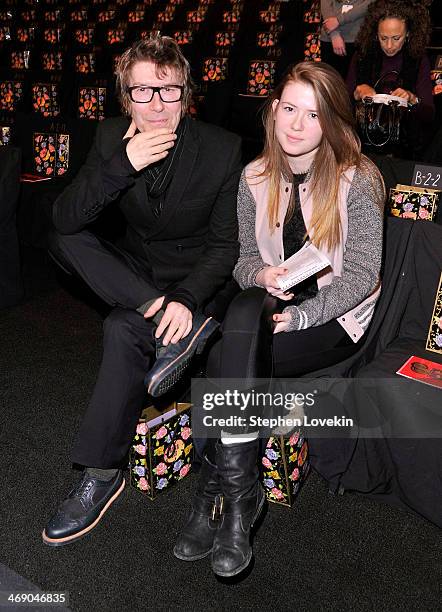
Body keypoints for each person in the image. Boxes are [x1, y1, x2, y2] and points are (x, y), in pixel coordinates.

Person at [173, 61, 385, 578]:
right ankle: (240, 496)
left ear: (333, 122)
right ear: (272, 111)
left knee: (226, 355)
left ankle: (212, 494)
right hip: (274, 305)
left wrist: (304, 315)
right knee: (238, 335)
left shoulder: (360, 178)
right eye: (289, 109)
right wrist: (261, 276)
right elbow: (242, 258)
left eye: (313, 115)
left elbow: (361, 274)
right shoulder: (253, 176)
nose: (296, 125)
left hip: (336, 317)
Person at [42, 35, 242, 547]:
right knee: (63, 236)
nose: (156, 105)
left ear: (186, 94)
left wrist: (187, 298)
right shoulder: (111, 140)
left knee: (118, 328)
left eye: (168, 91)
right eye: (143, 92)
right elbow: (65, 219)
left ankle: (101, 472)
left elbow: (224, 250)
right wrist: (122, 166)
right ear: (125, 98)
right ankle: (156, 315)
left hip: (199, 283)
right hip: (141, 282)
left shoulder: (221, 149)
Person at [346, 0, 435, 154]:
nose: (389, 46)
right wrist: (356, 93)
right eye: (383, 38)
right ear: (375, 34)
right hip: (364, 144)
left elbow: (429, 113)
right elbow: (340, 105)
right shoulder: (362, 56)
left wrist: (412, 99)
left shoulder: (418, 59)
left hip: (405, 146)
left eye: (396, 38)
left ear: (408, 34)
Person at [320, 0, 375, 78]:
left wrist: (339, 20)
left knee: (356, 82)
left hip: (358, 38)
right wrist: (334, 34)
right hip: (330, 39)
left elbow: (368, 4)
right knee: (330, 83)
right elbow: (326, 6)